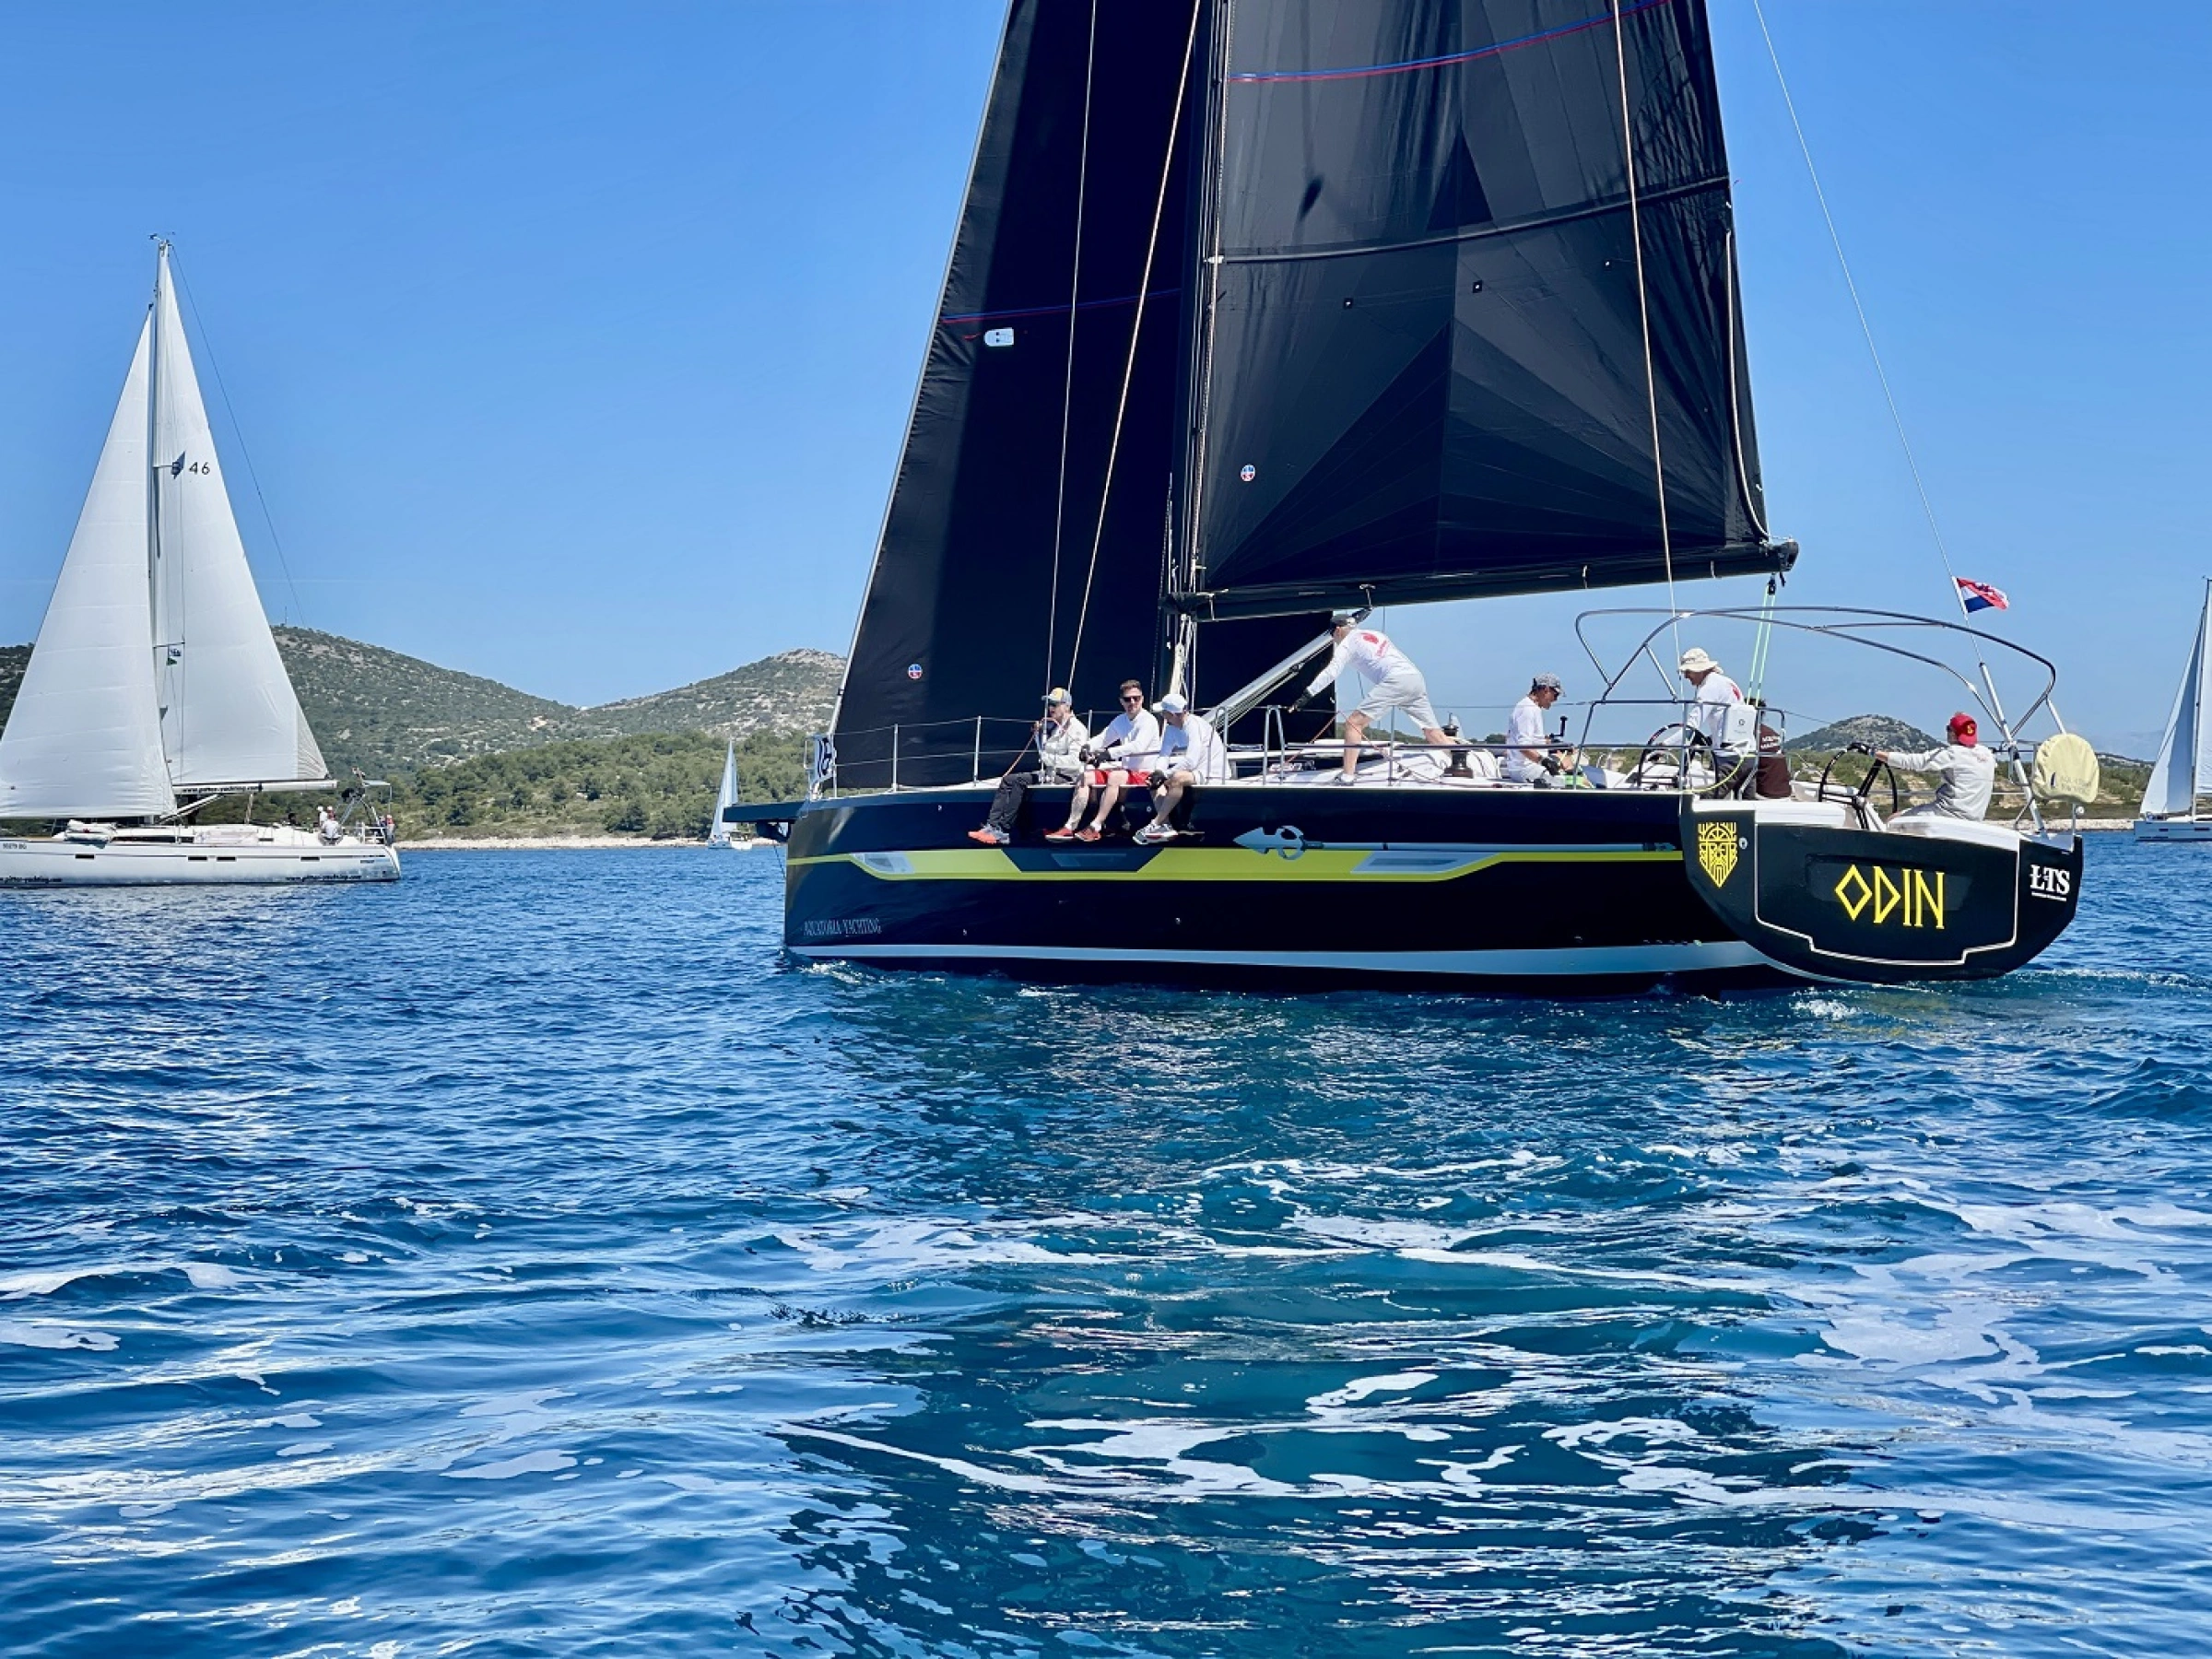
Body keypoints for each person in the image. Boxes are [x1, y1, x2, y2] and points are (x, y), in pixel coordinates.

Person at [1288, 613, 1451, 782]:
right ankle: (1459, 760)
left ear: (1337, 630)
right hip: (1415, 678)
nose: (1333, 639)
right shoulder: (1376, 634)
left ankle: (1347, 776)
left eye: (1332, 635)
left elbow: (1331, 672)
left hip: (1395, 680)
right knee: (1432, 731)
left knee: (1354, 723)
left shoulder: (1347, 644)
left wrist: (1306, 696)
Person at [968, 688, 1089, 845]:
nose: (1051, 708)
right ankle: (991, 826)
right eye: (1049, 704)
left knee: (1020, 781)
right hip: (1050, 773)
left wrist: (1051, 760)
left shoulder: (1077, 729)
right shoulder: (1055, 726)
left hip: (1066, 777)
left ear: (1067, 706)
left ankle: (1003, 831)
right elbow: (1046, 751)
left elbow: (1076, 761)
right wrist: (1038, 735)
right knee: (1008, 780)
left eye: (1055, 704)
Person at [1050, 680, 1159, 842]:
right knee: (1085, 776)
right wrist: (1087, 747)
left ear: (1142, 699)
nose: (1132, 702)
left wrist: (1108, 754)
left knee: (1115, 776)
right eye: (1128, 699)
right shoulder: (1120, 720)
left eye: (1136, 698)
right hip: (1127, 773)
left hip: (1144, 773)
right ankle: (1070, 826)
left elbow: (1138, 746)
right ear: (1121, 701)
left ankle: (1096, 826)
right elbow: (1103, 738)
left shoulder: (1149, 720)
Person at [1135, 694, 1229, 844]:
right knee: (1152, 783)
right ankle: (1165, 826)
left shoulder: (1194, 726)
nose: (1162, 716)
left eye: (1164, 713)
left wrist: (1165, 774)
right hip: (1194, 771)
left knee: (1177, 778)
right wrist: (1158, 772)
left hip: (1211, 772)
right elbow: (1164, 754)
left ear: (1172, 714)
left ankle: (1155, 823)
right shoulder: (1170, 729)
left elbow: (1191, 761)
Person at [1876, 712, 1996, 820]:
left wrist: (1877, 754)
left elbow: (1915, 762)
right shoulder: (1988, 754)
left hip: (1947, 813)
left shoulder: (1953, 753)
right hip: (1975, 818)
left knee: (1894, 819)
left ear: (1953, 734)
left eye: (1948, 729)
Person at [1503, 673, 1566, 784]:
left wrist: (1552, 743)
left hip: (1531, 766)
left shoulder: (1533, 708)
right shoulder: (1527, 709)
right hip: (1525, 769)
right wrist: (1544, 762)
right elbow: (1524, 746)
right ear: (1546, 690)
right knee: (1564, 782)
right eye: (1555, 695)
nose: (1555, 700)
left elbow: (1530, 738)